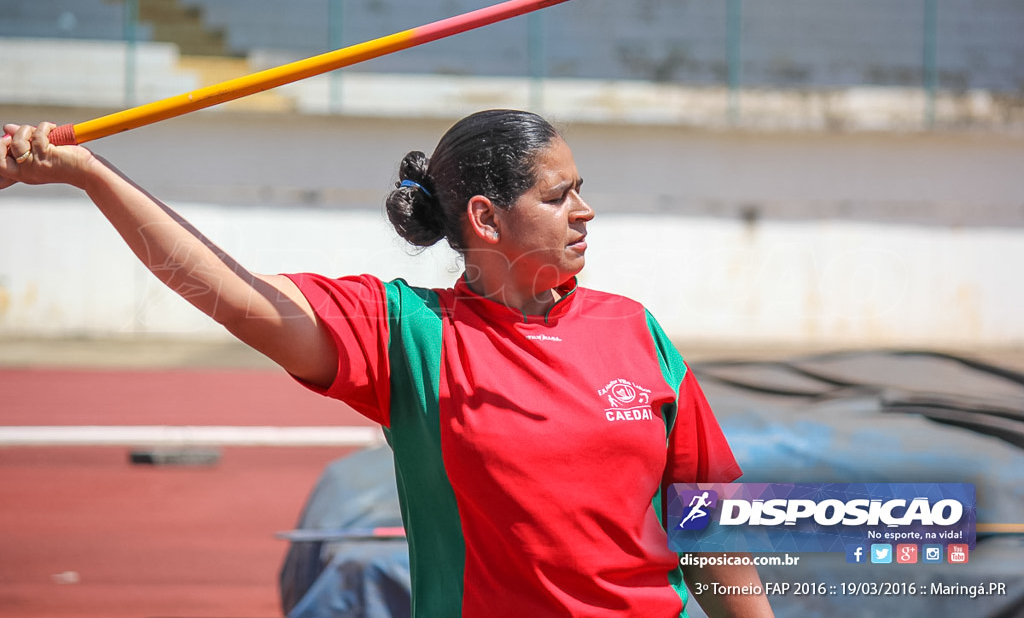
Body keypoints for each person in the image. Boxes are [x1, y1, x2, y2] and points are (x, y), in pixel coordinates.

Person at [1, 111, 773, 618]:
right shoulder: (407, 333)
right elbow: (226, 289)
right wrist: (90, 174)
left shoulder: (637, 330)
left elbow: (708, 526)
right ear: (486, 217)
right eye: (559, 194)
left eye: (582, 191)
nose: (585, 210)